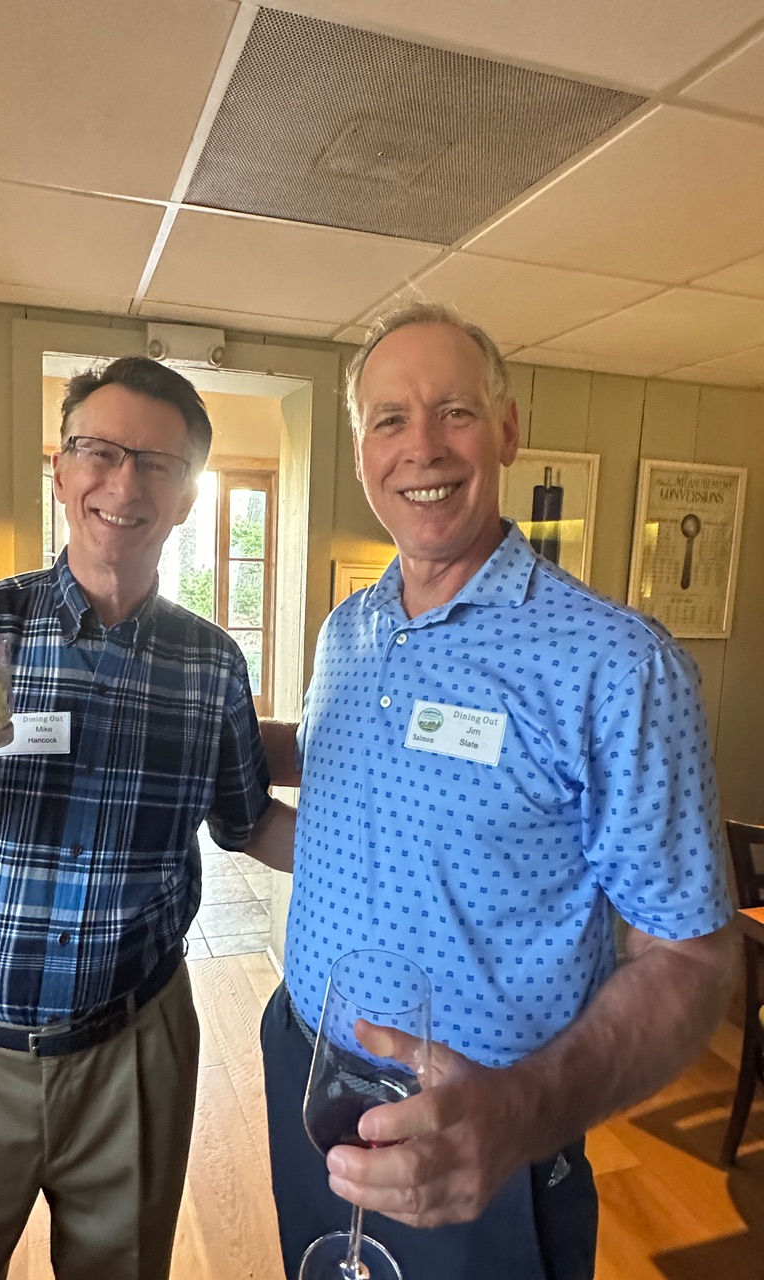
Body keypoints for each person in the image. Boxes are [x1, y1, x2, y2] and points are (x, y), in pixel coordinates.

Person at [258, 303, 737, 1280]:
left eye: (455, 411)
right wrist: (197, 749)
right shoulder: (348, 632)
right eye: (390, 419)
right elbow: (343, 787)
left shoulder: (618, 666)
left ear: (507, 429)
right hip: (304, 1068)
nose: (423, 446)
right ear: (362, 450)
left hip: (480, 1131)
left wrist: (519, 1113)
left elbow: (693, 956)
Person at [0, 355, 289, 1280]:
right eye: (99, 451)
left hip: (137, 1054)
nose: (124, 483)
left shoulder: (210, 667)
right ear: (62, 470)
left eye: (157, 463)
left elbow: (248, 824)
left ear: (187, 497)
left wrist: (406, 865)